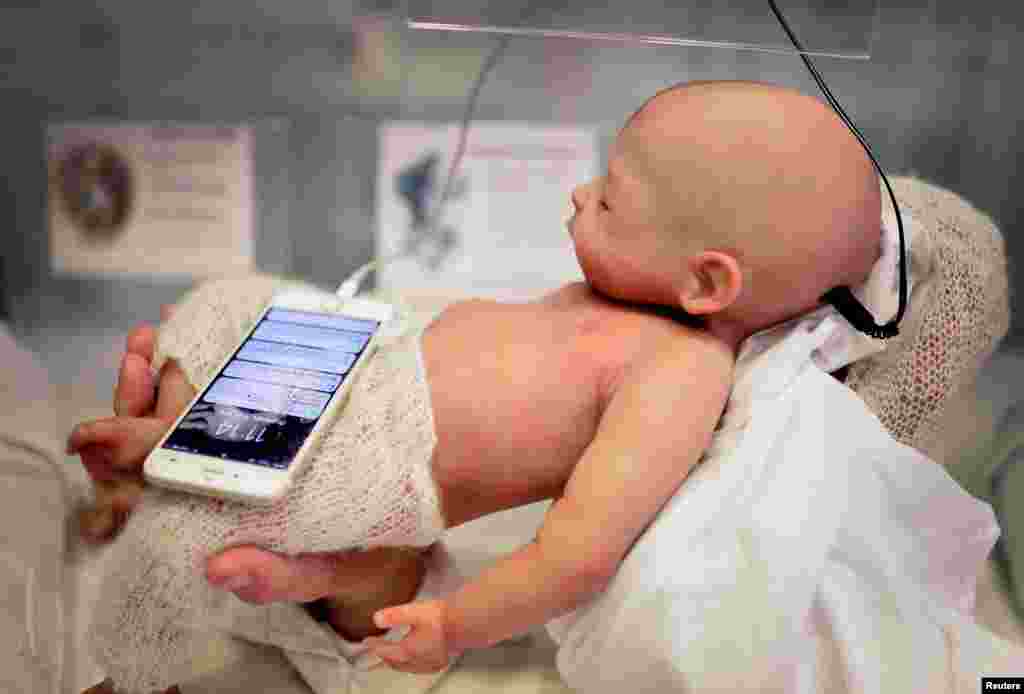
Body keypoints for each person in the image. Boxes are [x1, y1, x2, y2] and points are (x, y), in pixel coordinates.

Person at [70, 80, 886, 692]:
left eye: (609, 198)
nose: (580, 193)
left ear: (708, 282)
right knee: (230, 298)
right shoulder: (622, 296)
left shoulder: (678, 376)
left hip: (384, 463)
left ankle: (133, 673)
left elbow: (578, 554)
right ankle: (174, 436)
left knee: (183, 533)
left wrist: (456, 624)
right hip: (370, 366)